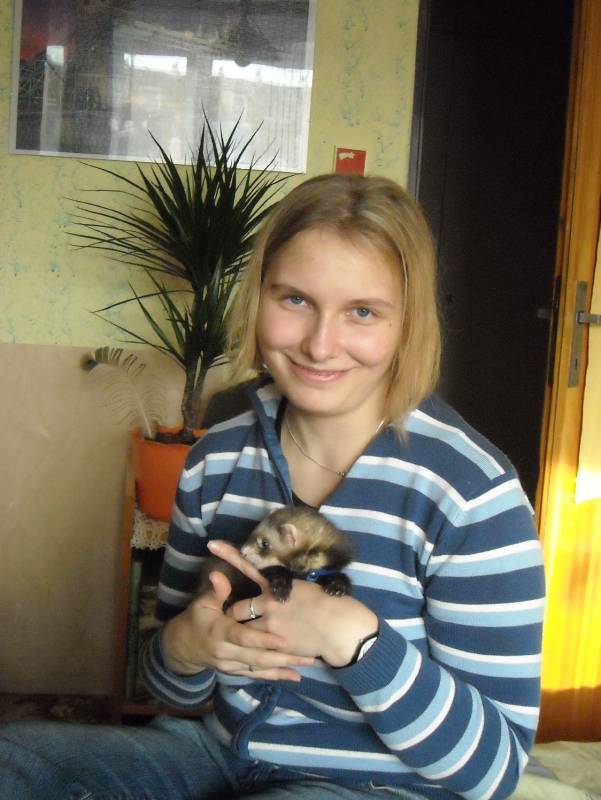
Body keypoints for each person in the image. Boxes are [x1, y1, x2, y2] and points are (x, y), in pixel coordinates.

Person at [0, 174, 545, 800]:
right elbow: (174, 690)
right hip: (215, 755)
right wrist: (185, 647)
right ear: (258, 299)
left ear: (407, 324)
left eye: (362, 312)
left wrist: (352, 637)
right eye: (295, 300)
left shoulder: (472, 494)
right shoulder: (214, 460)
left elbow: (496, 769)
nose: (320, 344)